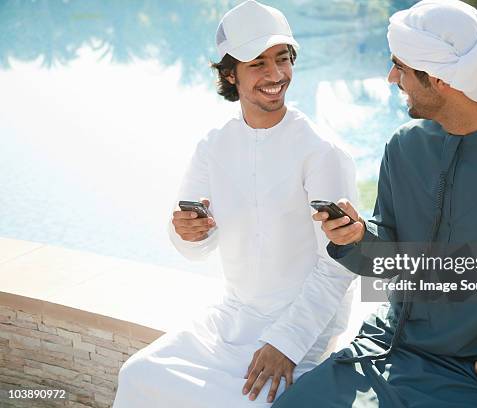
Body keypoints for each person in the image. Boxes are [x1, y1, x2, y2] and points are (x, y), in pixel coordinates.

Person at [272, 0, 477, 407]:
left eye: (400, 66)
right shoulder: (404, 146)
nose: (390, 77)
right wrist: (358, 238)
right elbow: (393, 258)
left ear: (441, 79)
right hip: (386, 347)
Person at [112, 1, 357, 407]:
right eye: (258, 63)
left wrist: (287, 342)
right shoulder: (213, 146)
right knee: (137, 375)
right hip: (230, 319)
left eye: (282, 59)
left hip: (303, 329)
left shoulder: (321, 152)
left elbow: (338, 263)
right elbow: (192, 244)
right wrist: (189, 233)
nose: (276, 75)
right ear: (231, 74)